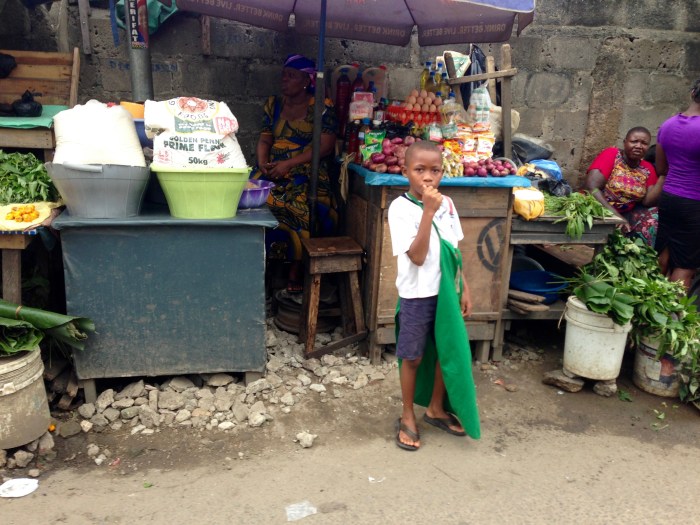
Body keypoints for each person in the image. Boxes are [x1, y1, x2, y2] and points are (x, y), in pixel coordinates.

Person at [387, 141, 480, 451]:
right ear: (405, 172)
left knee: (444, 350)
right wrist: (428, 211)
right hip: (417, 294)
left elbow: (453, 251)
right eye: (419, 170)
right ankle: (407, 415)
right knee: (412, 355)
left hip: (446, 292)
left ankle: (436, 408)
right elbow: (416, 255)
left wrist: (463, 287)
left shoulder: (449, 205)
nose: (428, 177)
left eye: (435, 170)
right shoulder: (400, 208)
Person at [251, 54, 338, 291]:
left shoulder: (322, 107)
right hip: (273, 168)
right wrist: (262, 164)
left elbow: (326, 145)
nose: (284, 80)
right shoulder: (273, 104)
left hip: (307, 168)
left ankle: (295, 268)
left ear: (306, 80)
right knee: (251, 198)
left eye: (291, 76)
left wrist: (289, 165)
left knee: (298, 204)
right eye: (283, 75)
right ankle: (265, 264)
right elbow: (265, 139)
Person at [654, 79, 700, 291]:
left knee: (663, 254)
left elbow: (661, 168)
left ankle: (647, 310)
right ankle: (670, 322)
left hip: (669, 196)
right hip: (693, 203)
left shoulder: (668, 124)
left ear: (692, 93)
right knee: (685, 266)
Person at [585, 126, 663, 247]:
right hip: (597, 208)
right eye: (634, 141)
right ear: (624, 142)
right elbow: (592, 188)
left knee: (656, 215)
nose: (638, 146)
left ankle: (640, 253)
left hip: (626, 214)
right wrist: (616, 216)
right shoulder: (612, 154)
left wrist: (664, 175)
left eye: (644, 143)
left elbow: (648, 201)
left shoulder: (647, 168)